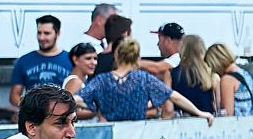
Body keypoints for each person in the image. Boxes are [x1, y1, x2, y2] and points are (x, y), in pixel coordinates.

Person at [81, 38, 214, 123]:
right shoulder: (144, 79)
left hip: (110, 136)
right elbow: (174, 96)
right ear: (137, 57)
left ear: (116, 55)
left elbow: (78, 98)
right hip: (136, 137)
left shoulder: (102, 80)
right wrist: (199, 113)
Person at [9, 15, 72, 110]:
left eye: (47, 33)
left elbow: (78, 93)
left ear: (57, 34)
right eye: (39, 33)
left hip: (62, 114)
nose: (42, 37)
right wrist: (32, 108)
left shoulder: (71, 60)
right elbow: (14, 96)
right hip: (33, 115)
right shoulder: (24, 61)